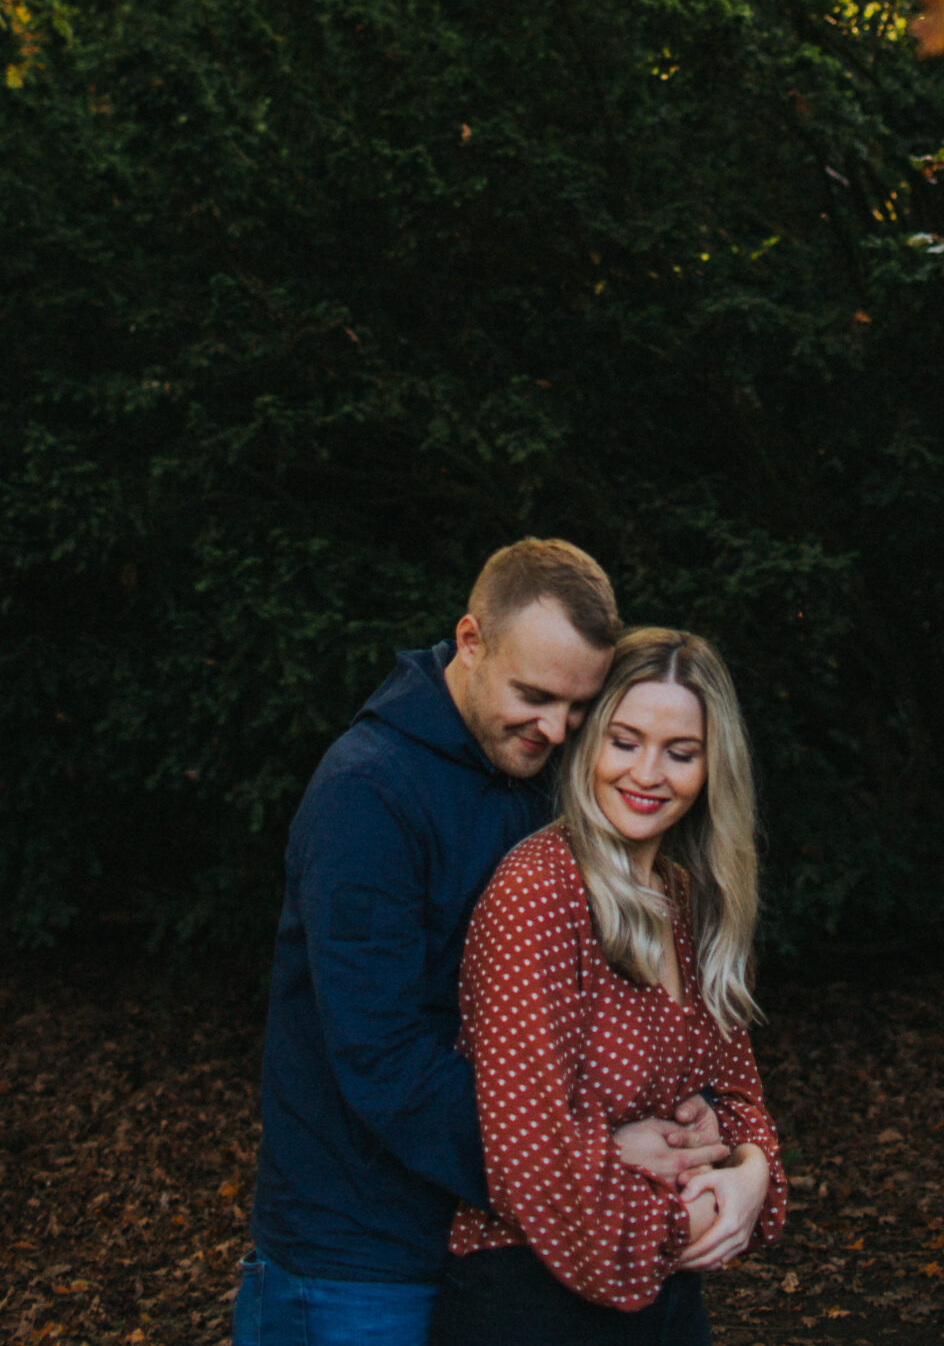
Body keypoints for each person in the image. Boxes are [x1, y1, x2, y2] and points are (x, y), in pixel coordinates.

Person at [235, 543, 730, 1346]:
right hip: (357, 1262)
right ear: (470, 641)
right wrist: (593, 1151)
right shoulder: (367, 794)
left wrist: (696, 1125)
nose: (556, 728)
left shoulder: (544, 770)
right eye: (534, 696)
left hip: (496, 1247)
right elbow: (382, 1054)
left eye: (578, 707)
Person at [430, 627, 787, 1346]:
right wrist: (690, 1218)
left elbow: (738, 1094)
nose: (648, 774)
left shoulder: (683, 900)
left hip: (665, 1297)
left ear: (713, 766)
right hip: (530, 1300)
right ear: (587, 741)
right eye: (624, 741)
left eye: (680, 753)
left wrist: (750, 1174)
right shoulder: (539, 892)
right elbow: (531, 1154)